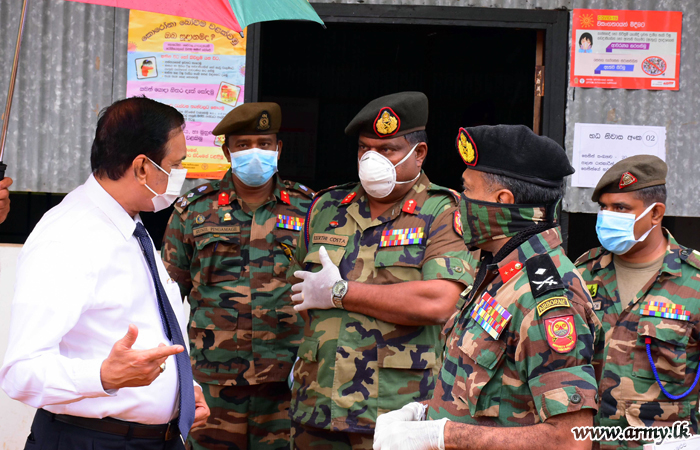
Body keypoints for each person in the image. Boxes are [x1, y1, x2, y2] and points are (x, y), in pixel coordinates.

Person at [0, 97, 209, 450]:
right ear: (142, 168)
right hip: (91, 440)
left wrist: (182, 391)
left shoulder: (130, 225)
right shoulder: (69, 238)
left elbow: (143, 327)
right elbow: (20, 372)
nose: (180, 175)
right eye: (175, 165)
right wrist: (102, 376)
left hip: (152, 438)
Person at [374, 125, 600, 450]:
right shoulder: (501, 271)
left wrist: (442, 436)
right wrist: (426, 414)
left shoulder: (547, 297)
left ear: (502, 200)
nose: (460, 202)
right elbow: (495, 397)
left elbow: (568, 440)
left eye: (467, 190)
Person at [289, 92, 475, 449]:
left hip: (394, 412)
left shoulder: (442, 211)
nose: (372, 159)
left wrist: (341, 292)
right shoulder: (326, 207)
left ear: (419, 153)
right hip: (317, 406)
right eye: (365, 148)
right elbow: (298, 290)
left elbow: (439, 302)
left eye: (387, 149)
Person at [161, 102, 314, 450]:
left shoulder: (309, 209)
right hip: (213, 381)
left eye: (264, 143)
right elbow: (166, 298)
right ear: (227, 152)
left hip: (286, 380)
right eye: (243, 145)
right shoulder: (193, 211)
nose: (255, 152)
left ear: (278, 149)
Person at [574, 155, 700, 450]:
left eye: (620, 208)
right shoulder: (582, 273)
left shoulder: (694, 281)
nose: (607, 216)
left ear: (655, 213)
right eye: (603, 207)